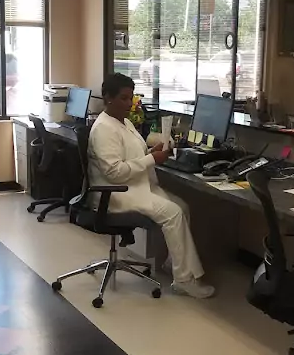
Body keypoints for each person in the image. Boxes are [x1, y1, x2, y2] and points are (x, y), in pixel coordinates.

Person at [88, 73, 215, 299]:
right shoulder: (103, 129)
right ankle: (185, 280)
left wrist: (150, 153)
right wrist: (151, 160)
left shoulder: (123, 122)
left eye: (131, 98)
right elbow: (115, 172)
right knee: (173, 213)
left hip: (134, 185)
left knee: (182, 206)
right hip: (116, 193)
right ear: (108, 98)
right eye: (124, 99)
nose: (129, 104)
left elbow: (131, 155)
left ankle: (173, 264)